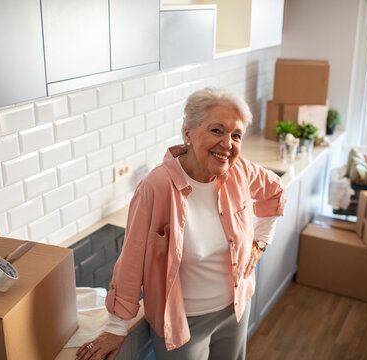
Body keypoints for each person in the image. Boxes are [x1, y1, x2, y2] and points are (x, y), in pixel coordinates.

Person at [76, 87, 285, 360]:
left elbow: (275, 191)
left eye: (236, 135)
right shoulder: (157, 186)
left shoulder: (240, 171)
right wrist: (117, 327)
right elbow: (132, 259)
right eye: (216, 130)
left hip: (235, 308)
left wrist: (260, 241)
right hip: (182, 322)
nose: (227, 143)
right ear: (188, 133)